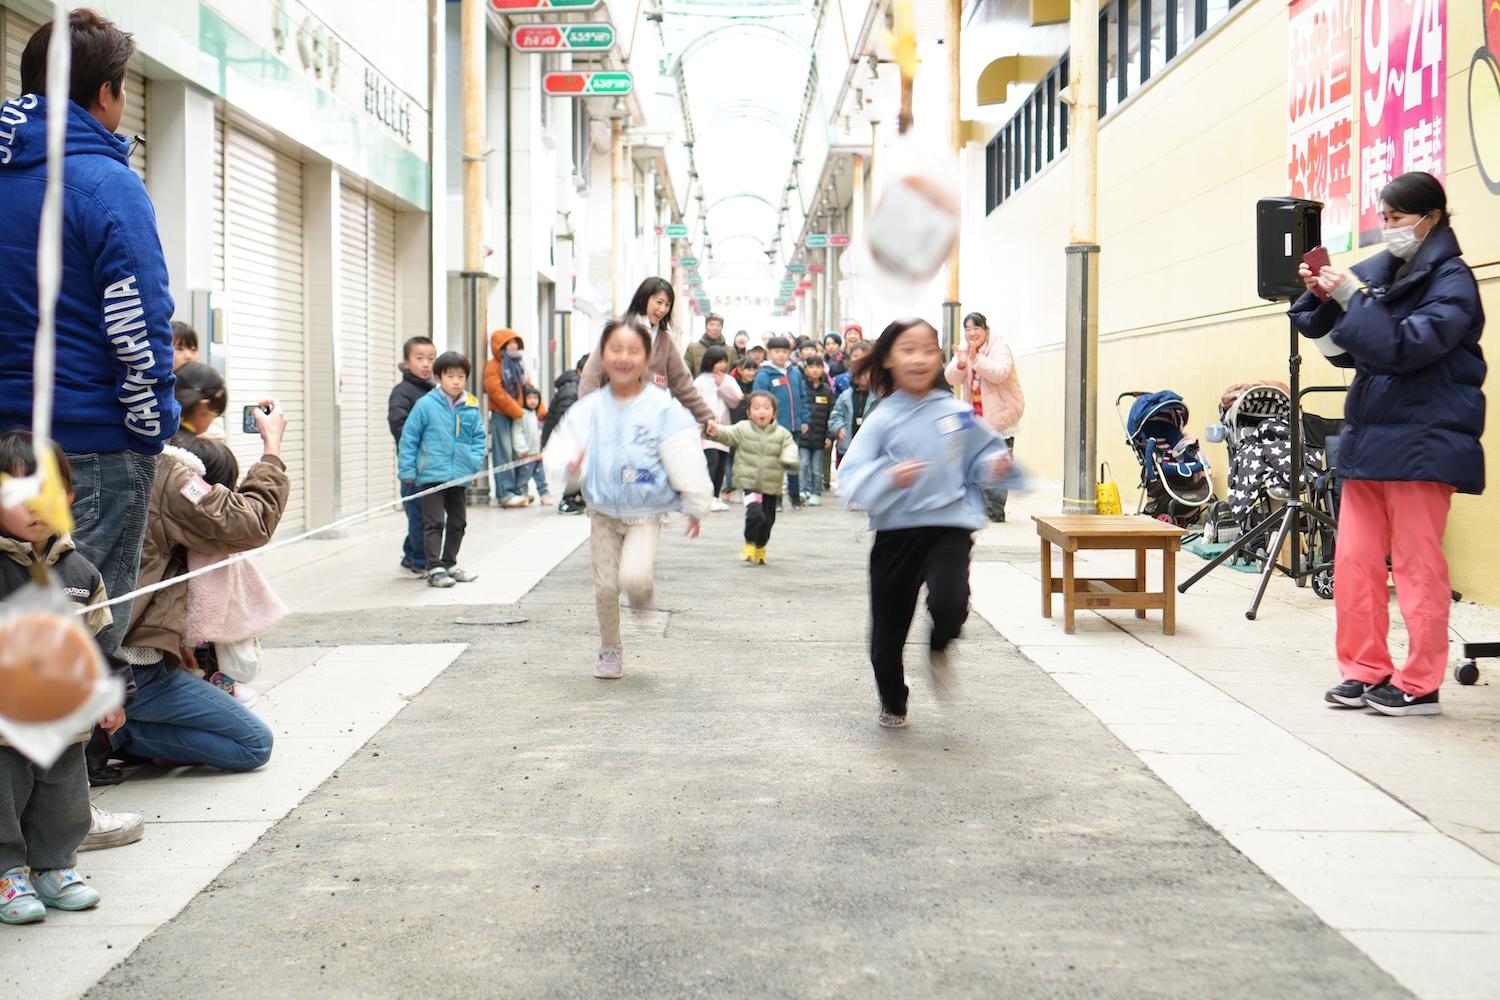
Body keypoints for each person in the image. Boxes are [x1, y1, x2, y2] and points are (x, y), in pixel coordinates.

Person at [0, 10, 180, 643]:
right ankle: (76, 746)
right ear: (106, 93)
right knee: (82, 638)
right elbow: (139, 325)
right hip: (86, 451)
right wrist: (148, 428)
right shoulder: (105, 184)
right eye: (124, 88)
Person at [1291, 171, 1486, 717]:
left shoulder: (1453, 281)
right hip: (1371, 440)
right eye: (1384, 218)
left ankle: (1421, 682)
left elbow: (1406, 346)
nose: (1389, 229)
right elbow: (1349, 352)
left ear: (1431, 218)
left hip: (1424, 443)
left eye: (1397, 219)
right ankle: (1363, 669)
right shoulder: (1386, 273)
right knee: (1354, 562)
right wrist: (1327, 304)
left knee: (1418, 567)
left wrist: (1354, 299)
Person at [839, 318, 1013, 729]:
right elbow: (850, 477)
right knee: (886, 638)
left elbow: (983, 454)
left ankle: (940, 644)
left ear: (940, 358)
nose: (918, 358)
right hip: (896, 535)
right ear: (887, 360)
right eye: (907, 349)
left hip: (948, 527)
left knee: (951, 602)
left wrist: (994, 464)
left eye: (928, 350)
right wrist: (887, 477)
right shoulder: (882, 418)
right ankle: (893, 700)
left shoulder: (955, 413)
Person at [112, 365, 285, 773]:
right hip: (137, 666)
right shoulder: (172, 471)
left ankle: (104, 732)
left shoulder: (112, 458)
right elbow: (250, 523)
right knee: (253, 745)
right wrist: (272, 448)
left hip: (114, 653)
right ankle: (104, 735)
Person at [0, 433, 144, 906]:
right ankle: (6, 873)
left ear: (67, 499)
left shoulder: (81, 574)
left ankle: (55, 867)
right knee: (6, 797)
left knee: (63, 797)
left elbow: (102, 640)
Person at [543, 318, 712, 680]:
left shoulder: (663, 408)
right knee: (605, 586)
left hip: (646, 512)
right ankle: (610, 648)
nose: (624, 357)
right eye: (615, 349)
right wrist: (569, 468)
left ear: (647, 358)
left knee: (633, 577)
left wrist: (696, 503)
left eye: (633, 350)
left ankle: (641, 592)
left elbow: (685, 454)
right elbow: (560, 449)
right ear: (602, 357)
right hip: (601, 511)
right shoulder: (587, 409)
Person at [399, 352, 486, 589]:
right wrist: (407, 471)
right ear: (439, 377)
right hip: (431, 476)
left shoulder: (470, 405)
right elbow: (409, 438)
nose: (456, 381)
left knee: (458, 523)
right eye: (450, 376)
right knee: (434, 522)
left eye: (461, 376)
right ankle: (434, 566)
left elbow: (479, 437)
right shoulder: (426, 404)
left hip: (459, 475)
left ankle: (449, 563)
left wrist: (474, 461)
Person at [579, 278, 716, 428]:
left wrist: (706, 416)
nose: (663, 309)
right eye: (659, 302)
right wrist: (588, 416)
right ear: (644, 298)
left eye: (667, 305)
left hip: (651, 424)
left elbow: (683, 385)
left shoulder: (665, 342)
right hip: (614, 420)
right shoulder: (618, 332)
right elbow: (591, 376)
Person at [945, 312, 1025, 522]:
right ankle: (979, 508)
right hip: (977, 420)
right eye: (968, 329)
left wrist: (975, 358)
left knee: (998, 463)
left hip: (1000, 416)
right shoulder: (965, 349)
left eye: (976, 328)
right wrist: (962, 362)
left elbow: (999, 372)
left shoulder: (999, 346)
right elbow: (950, 377)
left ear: (986, 330)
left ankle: (995, 512)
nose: (971, 333)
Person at [707, 391, 798, 565]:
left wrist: (789, 459)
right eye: (756, 408)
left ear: (774, 412)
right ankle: (749, 542)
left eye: (766, 408)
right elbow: (727, 433)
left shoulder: (782, 433)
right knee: (756, 513)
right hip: (750, 484)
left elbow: (790, 448)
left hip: (772, 485)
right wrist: (714, 431)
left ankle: (760, 547)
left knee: (768, 520)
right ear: (749, 413)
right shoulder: (743, 428)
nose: (761, 412)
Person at [388, 335, 437, 576]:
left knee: (426, 513)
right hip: (415, 466)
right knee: (419, 514)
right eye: (419, 359)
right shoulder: (403, 392)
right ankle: (421, 561)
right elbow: (399, 426)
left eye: (430, 359)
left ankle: (410, 554)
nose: (426, 364)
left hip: (434, 465)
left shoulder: (435, 392)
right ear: (406, 363)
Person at [753, 336, 808, 508]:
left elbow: (802, 397)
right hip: (773, 428)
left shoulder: (795, 372)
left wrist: (804, 419)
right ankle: (774, 499)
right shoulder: (764, 374)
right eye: (777, 351)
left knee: (792, 462)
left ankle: (794, 498)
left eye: (785, 352)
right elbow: (759, 401)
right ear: (768, 352)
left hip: (794, 427)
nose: (781, 355)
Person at [692, 345, 743, 511]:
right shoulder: (699, 381)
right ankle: (706, 497)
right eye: (718, 361)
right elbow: (692, 403)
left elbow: (737, 400)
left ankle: (715, 496)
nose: (722, 365)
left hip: (724, 429)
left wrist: (723, 386)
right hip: (705, 428)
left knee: (721, 463)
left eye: (724, 362)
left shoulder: (728, 380)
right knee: (711, 461)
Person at [544, 355, 588, 515]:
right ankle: (567, 500)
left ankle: (577, 496)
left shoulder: (581, 386)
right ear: (579, 371)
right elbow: (564, 419)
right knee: (575, 469)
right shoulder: (572, 390)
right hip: (562, 439)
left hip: (565, 438)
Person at [797, 356, 835, 506]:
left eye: (818, 367)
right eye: (811, 367)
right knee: (803, 464)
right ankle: (802, 490)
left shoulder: (827, 390)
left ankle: (815, 492)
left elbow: (832, 414)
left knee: (816, 468)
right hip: (803, 435)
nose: (815, 369)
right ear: (805, 370)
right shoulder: (801, 387)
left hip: (820, 437)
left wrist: (829, 436)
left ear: (822, 370)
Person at [829, 364, 880, 467]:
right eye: (860, 374)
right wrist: (839, 427)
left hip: (869, 445)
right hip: (848, 442)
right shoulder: (844, 396)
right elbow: (835, 415)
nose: (864, 377)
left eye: (867, 374)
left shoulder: (878, 397)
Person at [511, 387, 551, 506]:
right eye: (529, 398)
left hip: (537, 454)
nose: (533, 401)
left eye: (535, 398)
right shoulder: (521, 414)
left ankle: (544, 495)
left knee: (541, 476)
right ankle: (522, 495)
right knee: (524, 477)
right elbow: (517, 432)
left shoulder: (539, 415)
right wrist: (522, 449)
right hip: (527, 454)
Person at [685, 312, 738, 378]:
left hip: (724, 387)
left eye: (718, 325)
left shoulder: (730, 351)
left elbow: (736, 373)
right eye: (711, 325)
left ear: (722, 328)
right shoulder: (692, 348)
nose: (715, 328)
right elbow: (685, 371)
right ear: (706, 327)